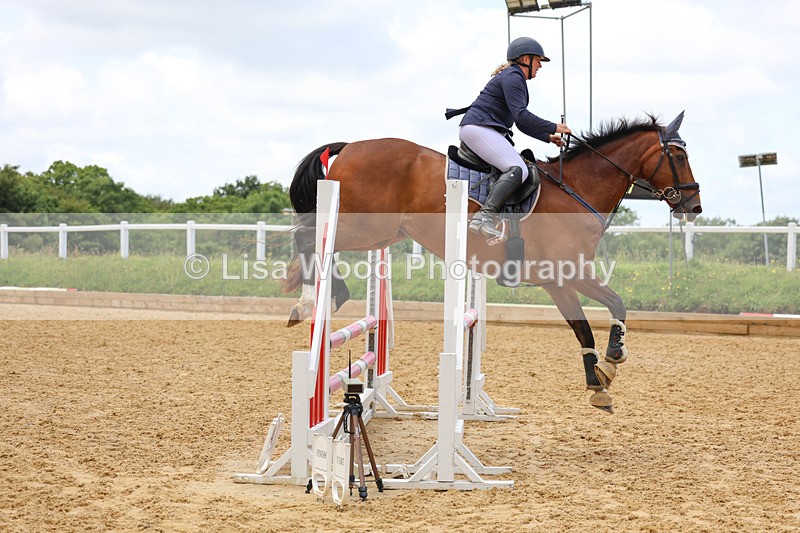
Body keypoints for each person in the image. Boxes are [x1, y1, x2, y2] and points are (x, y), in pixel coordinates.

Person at [453, 37, 572, 237]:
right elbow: (521, 115)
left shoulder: (514, 77)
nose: (540, 66)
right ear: (526, 58)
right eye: (538, 60)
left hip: (482, 128)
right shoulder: (513, 77)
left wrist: (548, 136)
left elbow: (520, 123)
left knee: (517, 167)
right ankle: (485, 217)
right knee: (517, 169)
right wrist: (554, 126)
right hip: (478, 127)